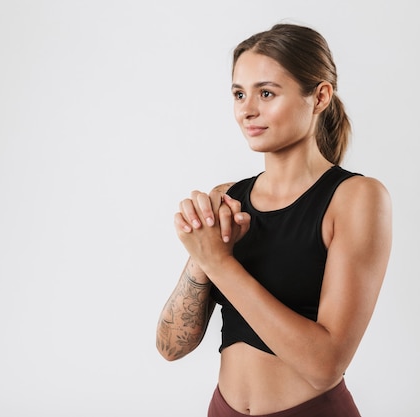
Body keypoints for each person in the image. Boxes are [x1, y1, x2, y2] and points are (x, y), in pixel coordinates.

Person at [156, 23, 392, 417]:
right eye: (239, 94)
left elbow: (325, 366)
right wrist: (200, 257)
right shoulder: (227, 198)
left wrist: (219, 261)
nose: (247, 109)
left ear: (319, 97)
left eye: (266, 93)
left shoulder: (355, 198)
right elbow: (170, 348)